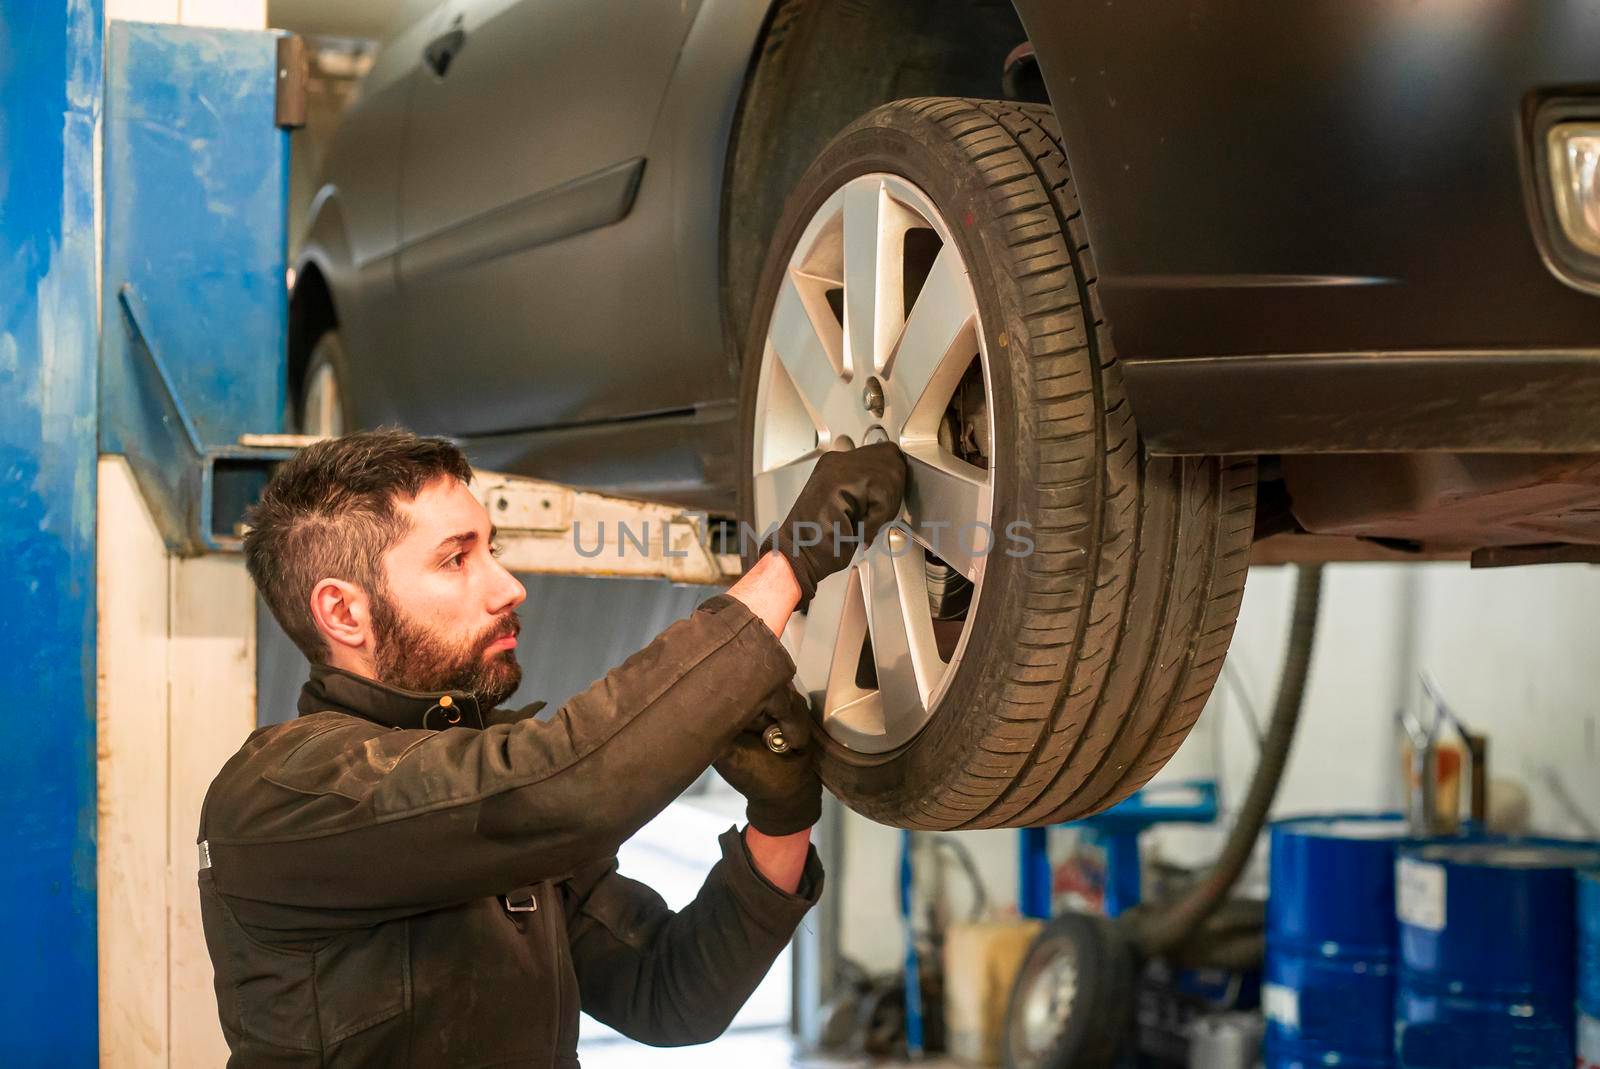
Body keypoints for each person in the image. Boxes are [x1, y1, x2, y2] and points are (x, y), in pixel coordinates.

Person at [197, 428, 907, 1067]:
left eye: (492, 549)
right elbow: (559, 788)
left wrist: (781, 818)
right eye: (455, 560)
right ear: (344, 611)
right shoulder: (285, 793)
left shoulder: (495, 798)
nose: (508, 586)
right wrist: (790, 564)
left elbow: (669, 990)